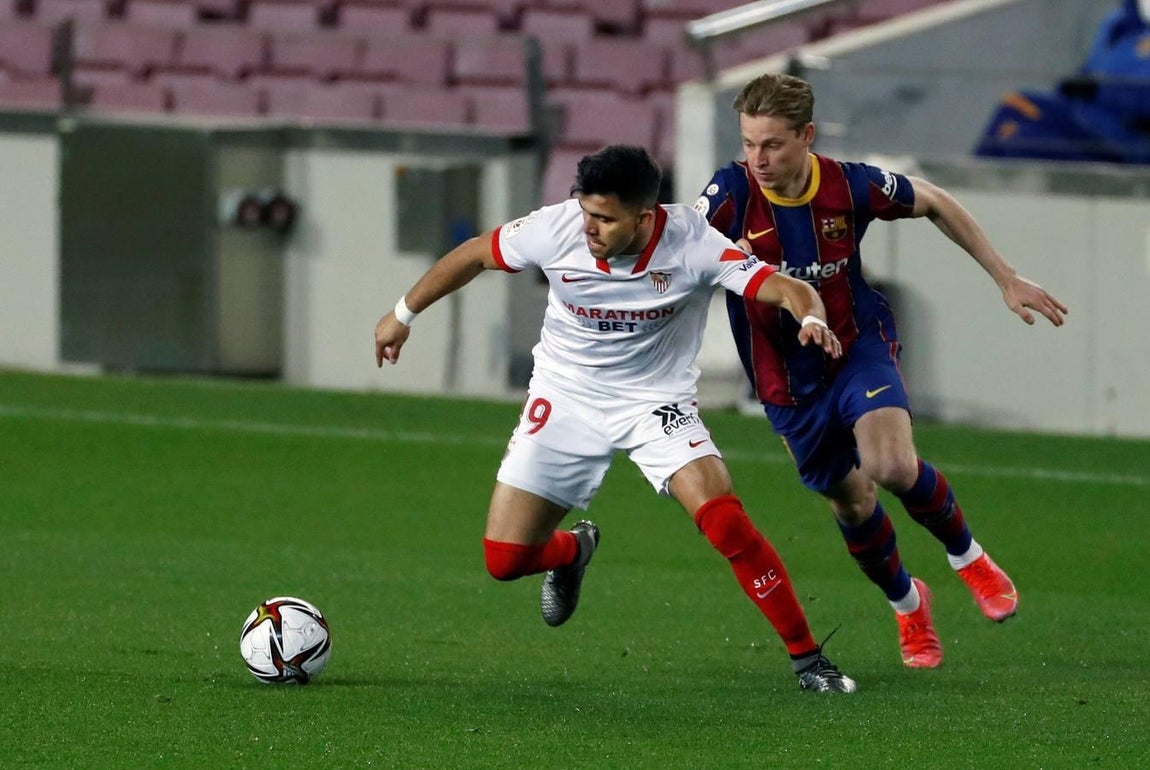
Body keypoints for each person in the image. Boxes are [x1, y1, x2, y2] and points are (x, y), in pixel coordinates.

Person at [375, 145, 856, 692]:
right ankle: (574, 550)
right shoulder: (553, 228)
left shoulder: (693, 242)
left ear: (645, 217)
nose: (589, 228)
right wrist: (402, 314)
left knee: (724, 520)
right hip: (566, 394)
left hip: (655, 402)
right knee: (505, 560)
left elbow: (783, 287)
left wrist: (812, 315)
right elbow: (472, 255)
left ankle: (807, 659)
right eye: (586, 212)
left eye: (604, 218)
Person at [695, 74, 1069, 669]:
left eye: (772, 145)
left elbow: (937, 201)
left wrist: (1005, 276)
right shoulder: (729, 193)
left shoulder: (849, 184)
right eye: (748, 143)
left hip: (855, 347)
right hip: (785, 381)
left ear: (806, 137)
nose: (757, 159)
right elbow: (680, 252)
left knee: (890, 464)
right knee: (852, 504)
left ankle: (969, 558)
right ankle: (908, 603)